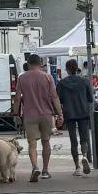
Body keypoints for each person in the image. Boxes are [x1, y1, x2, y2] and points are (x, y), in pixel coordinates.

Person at [13, 53, 64, 182]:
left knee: (32, 143)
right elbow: (54, 96)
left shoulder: (22, 78)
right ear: (40, 64)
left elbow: (17, 97)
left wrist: (16, 114)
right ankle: (45, 170)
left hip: (29, 115)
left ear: (28, 64)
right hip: (46, 114)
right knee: (46, 142)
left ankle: (35, 167)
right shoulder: (47, 77)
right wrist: (59, 113)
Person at [56, 60, 94, 173]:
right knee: (84, 138)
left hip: (69, 113)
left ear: (67, 69)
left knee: (73, 140)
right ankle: (85, 155)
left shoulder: (62, 83)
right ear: (77, 68)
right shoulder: (85, 81)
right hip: (83, 111)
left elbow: (60, 99)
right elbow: (90, 99)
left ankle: (77, 166)